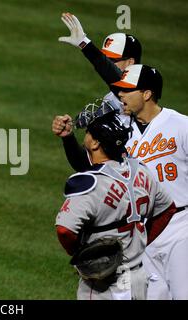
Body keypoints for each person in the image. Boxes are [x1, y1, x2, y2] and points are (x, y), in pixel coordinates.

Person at [55, 99, 177, 300]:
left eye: (87, 133)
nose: (85, 136)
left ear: (95, 143)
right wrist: (141, 242)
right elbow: (167, 210)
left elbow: (64, 230)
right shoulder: (141, 171)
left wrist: (79, 254)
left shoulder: (90, 183)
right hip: (138, 278)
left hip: (105, 286)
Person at [112, 64, 188, 299]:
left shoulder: (181, 125)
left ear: (147, 94)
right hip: (141, 233)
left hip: (180, 227)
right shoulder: (121, 132)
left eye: (127, 90)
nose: (120, 94)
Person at [53, 12, 142, 171]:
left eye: (111, 60)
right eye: (104, 58)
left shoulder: (142, 98)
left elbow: (117, 80)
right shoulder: (110, 101)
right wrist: (68, 138)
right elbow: (85, 165)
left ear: (130, 63)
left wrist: (85, 44)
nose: (105, 63)